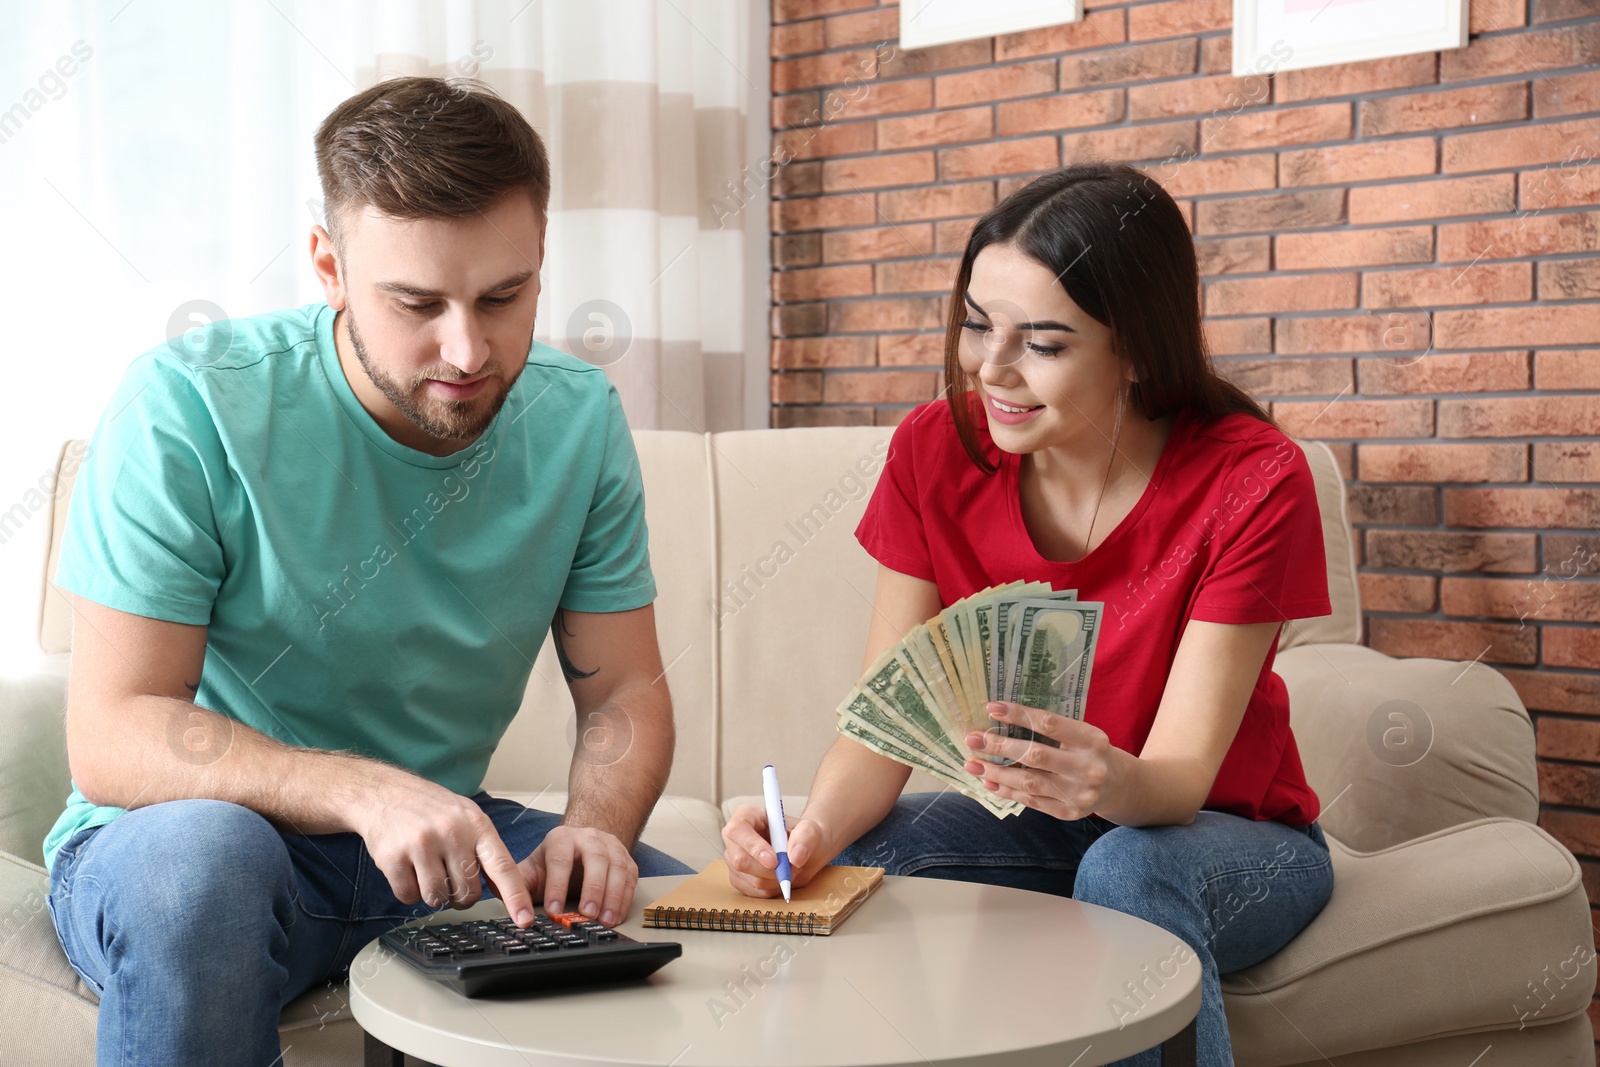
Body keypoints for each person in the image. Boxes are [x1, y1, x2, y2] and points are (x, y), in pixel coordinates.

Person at [44, 76, 691, 1067]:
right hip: (196, 838)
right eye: (417, 303)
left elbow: (625, 696)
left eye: (504, 296)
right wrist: (362, 789)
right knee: (203, 867)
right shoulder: (187, 405)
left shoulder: (579, 419)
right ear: (328, 265)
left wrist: (597, 828)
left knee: (702, 922)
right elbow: (114, 730)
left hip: (438, 851)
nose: (468, 350)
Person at [721, 162, 1336, 1066]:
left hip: (1229, 838)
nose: (991, 368)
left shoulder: (1253, 479)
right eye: (978, 325)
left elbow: (1175, 781)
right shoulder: (934, 451)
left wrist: (1106, 779)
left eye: (1043, 343)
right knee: (868, 859)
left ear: (1136, 347)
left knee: (1127, 865)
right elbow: (889, 719)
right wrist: (809, 834)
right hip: (1043, 828)